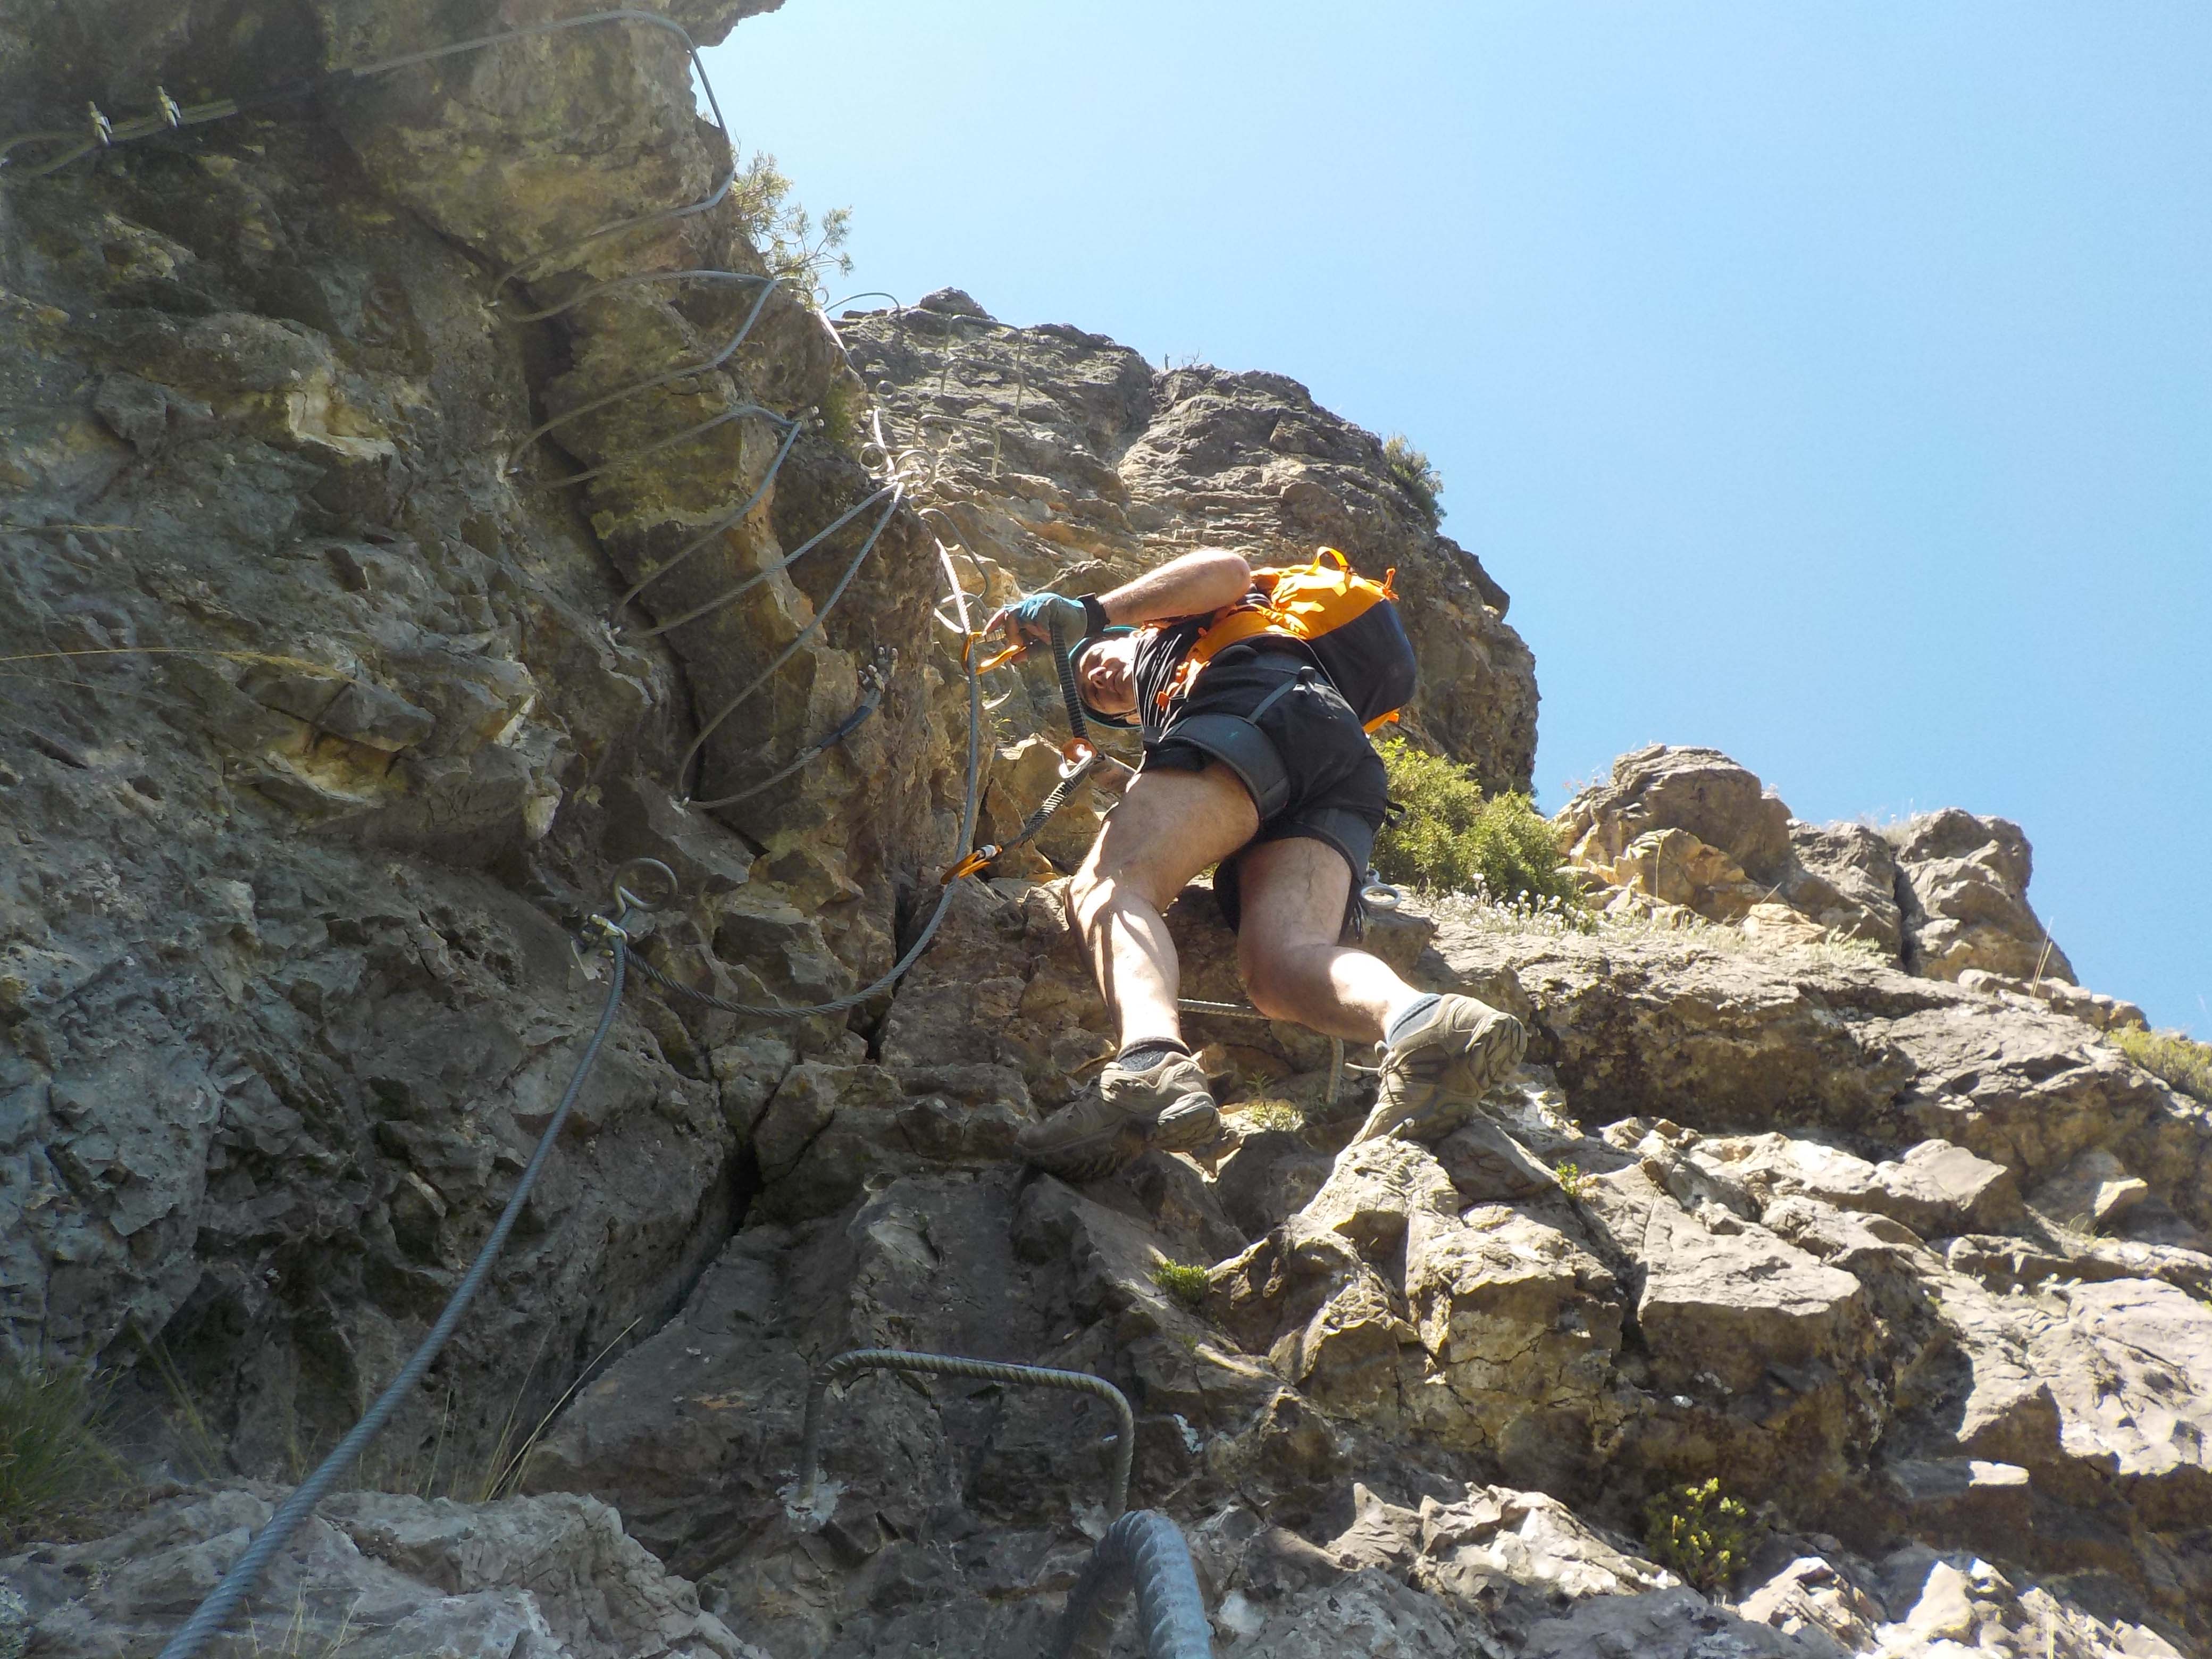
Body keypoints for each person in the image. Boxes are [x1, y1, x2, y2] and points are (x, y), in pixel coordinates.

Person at [985, 547, 1527, 1181]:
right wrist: (1126, 778)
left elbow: (1228, 569)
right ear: (1127, 717)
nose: (1095, 679)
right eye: (1091, 695)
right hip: (1327, 760)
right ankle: (1424, 1024)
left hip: (1254, 714)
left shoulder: (1176, 624)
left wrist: (1089, 614)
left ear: (1130, 634)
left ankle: (1148, 1066)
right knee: (1278, 968)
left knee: (1108, 885)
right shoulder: (1178, 692)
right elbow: (1208, 803)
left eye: (1096, 659)